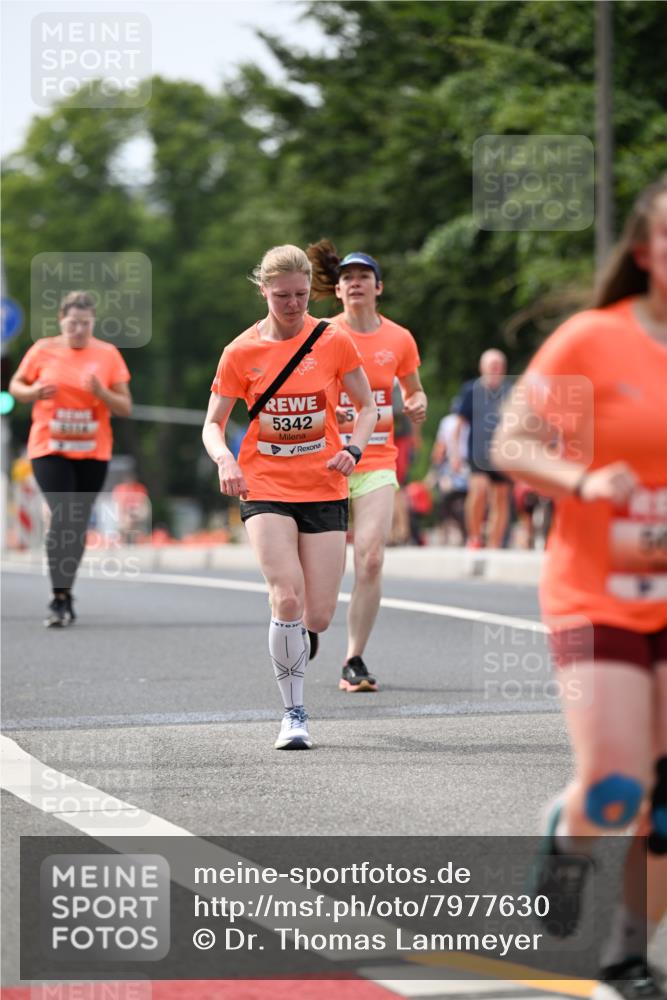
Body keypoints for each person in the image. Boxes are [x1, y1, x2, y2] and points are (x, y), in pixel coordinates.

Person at [492, 177, 667, 996]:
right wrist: (584, 481)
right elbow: (515, 441)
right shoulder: (591, 340)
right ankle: (566, 836)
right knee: (616, 782)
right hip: (595, 588)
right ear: (645, 253)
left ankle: (625, 956)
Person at [203, 245, 376, 749]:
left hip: (322, 484)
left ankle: (298, 628)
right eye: (282, 296)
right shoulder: (240, 352)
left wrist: (355, 448)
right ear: (264, 292)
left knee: (317, 615)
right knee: (287, 595)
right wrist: (226, 459)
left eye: (302, 295)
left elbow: (366, 407)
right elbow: (213, 424)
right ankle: (294, 714)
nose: (294, 305)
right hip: (265, 486)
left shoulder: (333, 339)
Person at [307, 242, 427, 691]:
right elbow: (302, 391)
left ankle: (353, 658)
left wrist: (416, 404)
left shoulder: (399, 338)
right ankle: (305, 620)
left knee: (371, 558)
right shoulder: (321, 333)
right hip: (326, 461)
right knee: (325, 568)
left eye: (363, 277)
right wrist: (328, 415)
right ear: (337, 291)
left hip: (377, 459)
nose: (355, 283)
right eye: (347, 278)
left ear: (378, 287)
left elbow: (413, 389)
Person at [9, 290, 132, 626]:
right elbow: (15, 386)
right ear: (61, 320)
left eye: (86, 324)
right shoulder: (42, 350)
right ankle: (57, 597)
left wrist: (101, 393)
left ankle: (65, 592)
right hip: (50, 447)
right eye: (73, 323)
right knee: (64, 513)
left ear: (93, 323)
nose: (79, 329)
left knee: (76, 523)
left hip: (93, 450)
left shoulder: (107, 354)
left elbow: (124, 406)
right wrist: (32, 392)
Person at [451, 350, 512, 548]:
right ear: (482, 367)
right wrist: (455, 454)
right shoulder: (471, 390)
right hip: (477, 453)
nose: (495, 369)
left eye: (498, 365)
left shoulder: (510, 391)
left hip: (503, 454)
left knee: (501, 498)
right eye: (491, 365)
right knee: (478, 492)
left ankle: (495, 542)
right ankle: (475, 537)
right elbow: (458, 424)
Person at [430, 397, 469, 545]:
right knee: (465, 501)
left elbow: (440, 447)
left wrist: (435, 466)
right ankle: (465, 532)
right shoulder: (470, 420)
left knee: (446, 501)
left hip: (452, 464)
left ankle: (448, 531)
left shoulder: (447, 421)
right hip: (466, 463)